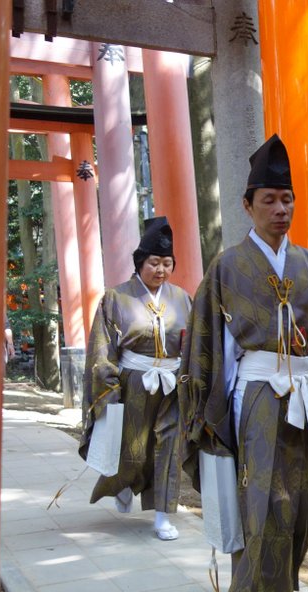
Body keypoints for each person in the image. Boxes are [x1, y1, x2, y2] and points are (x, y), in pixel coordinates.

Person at [182, 134, 308, 592]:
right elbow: (207, 346)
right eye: (269, 200)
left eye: (287, 200)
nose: (281, 210)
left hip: (306, 394)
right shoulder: (226, 268)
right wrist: (211, 412)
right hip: (256, 395)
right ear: (248, 205)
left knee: (302, 503)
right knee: (264, 502)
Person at [78, 217, 193, 540]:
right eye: (154, 263)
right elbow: (103, 346)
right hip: (133, 383)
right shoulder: (116, 297)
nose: (161, 270)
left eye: (167, 264)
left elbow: (195, 342)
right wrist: (108, 387)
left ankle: (162, 516)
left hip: (172, 384)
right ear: (140, 263)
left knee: (169, 448)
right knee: (133, 447)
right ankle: (124, 483)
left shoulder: (182, 298)